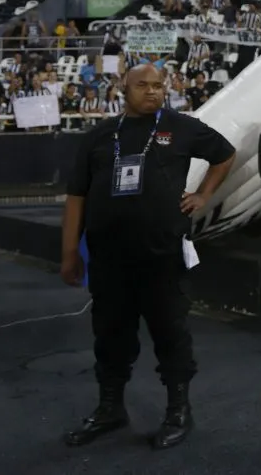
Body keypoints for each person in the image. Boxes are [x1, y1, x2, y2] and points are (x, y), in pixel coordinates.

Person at [60, 64, 235, 449]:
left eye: (159, 86)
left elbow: (224, 154)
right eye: (143, 85)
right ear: (124, 87)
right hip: (108, 259)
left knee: (170, 332)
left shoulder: (182, 126)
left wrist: (204, 194)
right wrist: (70, 250)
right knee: (109, 334)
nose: (152, 92)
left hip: (161, 256)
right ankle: (110, 408)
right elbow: (77, 196)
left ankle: (178, 411)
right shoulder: (100, 136)